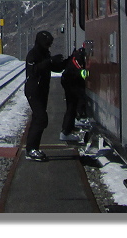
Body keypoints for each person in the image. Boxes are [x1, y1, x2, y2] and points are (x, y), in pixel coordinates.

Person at [24, 30, 67, 161]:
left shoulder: (44, 53)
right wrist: (50, 61)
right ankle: (31, 149)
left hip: (42, 90)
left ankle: (32, 149)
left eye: (50, 44)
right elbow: (34, 70)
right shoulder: (33, 54)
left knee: (38, 119)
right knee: (41, 119)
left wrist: (68, 61)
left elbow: (54, 68)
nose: (49, 46)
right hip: (34, 91)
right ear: (41, 42)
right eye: (47, 43)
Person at [60, 47, 88, 141]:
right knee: (76, 101)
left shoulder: (74, 58)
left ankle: (67, 129)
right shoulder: (76, 62)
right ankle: (78, 119)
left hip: (69, 83)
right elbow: (80, 72)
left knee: (71, 107)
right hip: (71, 84)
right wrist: (88, 73)